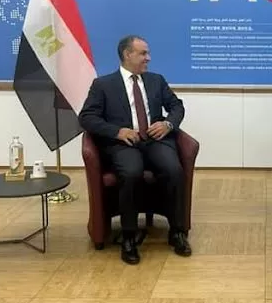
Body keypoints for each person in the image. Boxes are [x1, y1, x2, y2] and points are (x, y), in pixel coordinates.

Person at [79, 35, 191, 265]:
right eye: (143, 53)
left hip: (155, 140)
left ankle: (177, 231)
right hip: (124, 144)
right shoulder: (103, 85)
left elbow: (176, 106)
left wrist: (168, 124)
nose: (148, 58)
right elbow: (87, 117)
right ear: (127, 54)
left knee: (174, 170)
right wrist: (117, 131)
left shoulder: (156, 80)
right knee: (131, 173)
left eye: (147, 53)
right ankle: (129, 236)